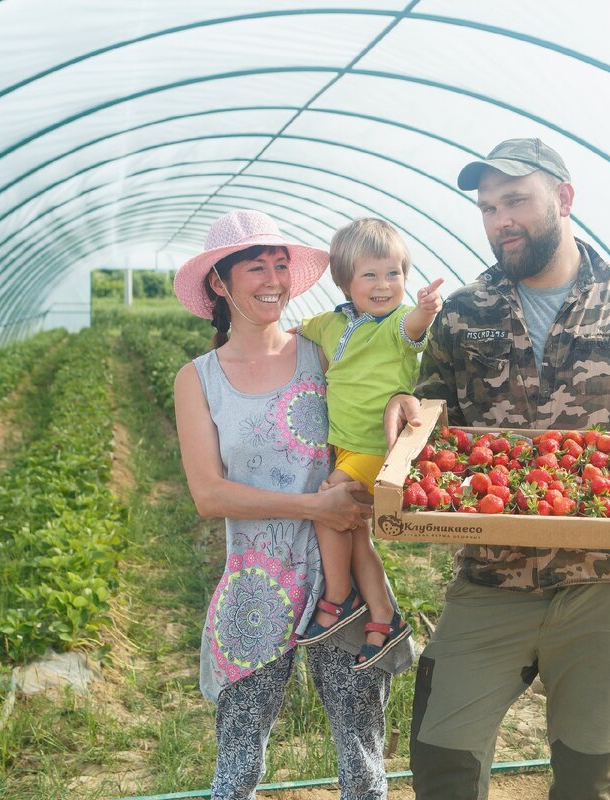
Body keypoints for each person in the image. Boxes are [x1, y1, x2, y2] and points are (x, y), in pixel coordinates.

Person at [384, 138, 610, 800]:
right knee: (442, 754)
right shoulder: (466, 311)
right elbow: (434, 412)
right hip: (493, 574)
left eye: (516, 200)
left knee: (587, 774)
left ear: (565, 199)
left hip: (609, 581)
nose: (501, 221)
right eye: (488, 207)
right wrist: (409, 408)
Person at [172, 209, 414, 800]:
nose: (274, 279)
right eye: (257, 267)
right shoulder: (199, 378)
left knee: (362, 758)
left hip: (343, 585)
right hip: (256, 585)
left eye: (281, 265)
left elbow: (379, 396)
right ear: (221, 284)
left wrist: (405, 396)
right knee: (237, 761)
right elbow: (209, 495)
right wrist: (316, 508)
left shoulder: (321, 350)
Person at [296, 218, 443, 669]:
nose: (384, 285)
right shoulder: (329, 324)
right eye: (370, 275)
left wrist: (426, 309)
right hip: (344, 446)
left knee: (328, 504)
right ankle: (383, 613)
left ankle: (338, 597)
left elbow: (414, 329)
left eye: (394, 274)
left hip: (376, 446)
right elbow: (290, 337)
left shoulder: (397, 323)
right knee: (354, 528)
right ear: (344, 281)